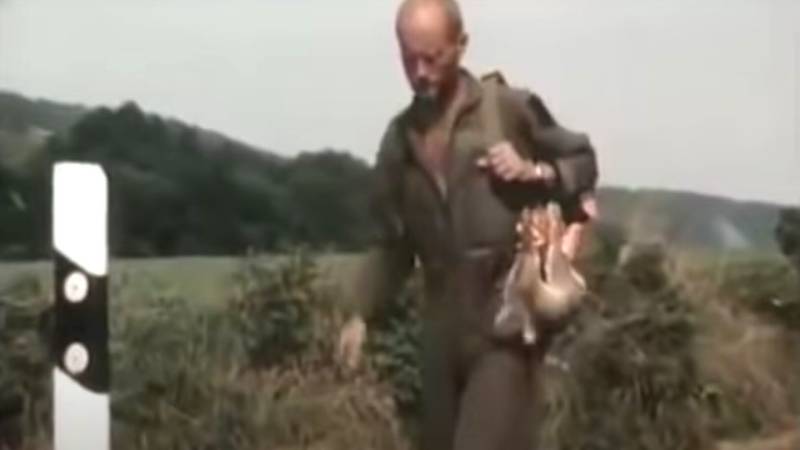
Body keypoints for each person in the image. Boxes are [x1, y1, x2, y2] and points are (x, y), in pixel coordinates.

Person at [336, 1, 599, 449]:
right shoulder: (399, 141)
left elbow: (583, 161)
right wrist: (359, 313)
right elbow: (393, 244)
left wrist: (535, 171)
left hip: (505, 324)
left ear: (461, 46)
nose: (419, 72)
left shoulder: (508, 109)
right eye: (408, 58)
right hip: (440, 334)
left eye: (431, 57)